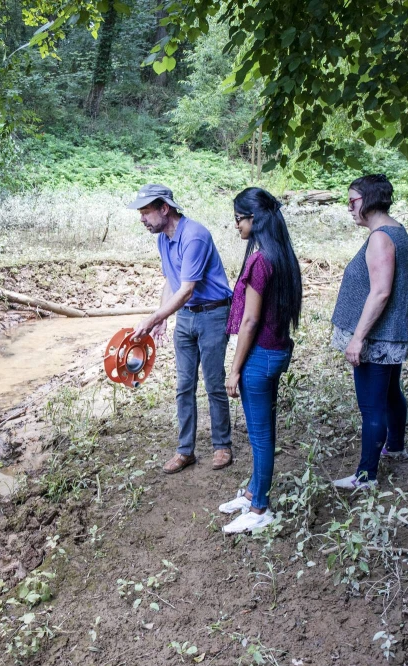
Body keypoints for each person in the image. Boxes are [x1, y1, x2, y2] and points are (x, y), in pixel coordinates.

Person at [129, 184, 235, 474]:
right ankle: (185, 450)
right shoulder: (163, 238)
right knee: (183, 386)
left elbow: (187, 289)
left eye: (146, 212)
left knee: (214, 383)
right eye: (141, 213)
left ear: (164, 208)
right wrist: (163, 317)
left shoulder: (195, 236)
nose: (142, 219)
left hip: (213, 314)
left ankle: (222, 445)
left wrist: (151, 319)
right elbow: (172, 281)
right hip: (185, 317)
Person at [217, 187, 302, 534]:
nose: (236, 224)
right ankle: (253, 489)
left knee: (260, 436)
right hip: (277, 351)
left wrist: (234, 370)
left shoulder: (259, 260)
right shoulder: (282, 255)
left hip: (260, 357)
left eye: (239, 217)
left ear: (254, 219)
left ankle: (260, 507)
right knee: (262, 430)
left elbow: (250, 321)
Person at [329, 175, 408, 490]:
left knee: (372, 406)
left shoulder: (381, 237)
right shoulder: (395, 230)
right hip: (390, 334)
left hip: (378, 338)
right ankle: (395, 446)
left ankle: (366, 475)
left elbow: (380, 292)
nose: (349, 207)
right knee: (391, 393)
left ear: (369, 199)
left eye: (352, 201)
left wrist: (357, 338)